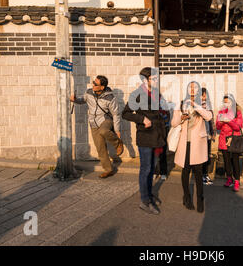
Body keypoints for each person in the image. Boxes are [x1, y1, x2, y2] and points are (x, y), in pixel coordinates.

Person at [122, 67, 167, 215]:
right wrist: (142, 119)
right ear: (145, 80)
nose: (156, 81)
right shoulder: (137, 95)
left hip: (157, 136)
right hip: (145, 137)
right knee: (145, 169)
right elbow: (126, 113)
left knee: (151, 170)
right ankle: (144, 201)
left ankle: (148, 194)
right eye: (153, 78)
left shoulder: (156, 93)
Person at [71, 75, 123, 178]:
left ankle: (117, 143)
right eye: (93, 83)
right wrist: (75, 99)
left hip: (105, 120)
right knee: (100, 147)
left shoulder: (110, 98)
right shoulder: (89, 92)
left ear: (102, 87)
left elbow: (116, 114)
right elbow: (83, 100)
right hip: (93, 123)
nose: (93, 85)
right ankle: (108, 169)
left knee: (103, 131)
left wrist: (117, 130)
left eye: (95, 84)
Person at [172, 81, 212, 213]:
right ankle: (187, 197)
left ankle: (200, 199)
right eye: (191, 88)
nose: (193, 90)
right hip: (185, 143)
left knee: (199, 172)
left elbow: (209, 116)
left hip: (198, 143)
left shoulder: (204, 103)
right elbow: (173, 123)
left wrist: (195, 104)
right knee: (185, 170)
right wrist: (182, 118)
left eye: (195, 88)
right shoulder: (181, 103)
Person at [216, 94, 243, 192]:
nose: (226, 104)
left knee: (235, 161)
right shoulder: (221, 112)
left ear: (232, 102)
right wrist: (222, 121)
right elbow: (218, 126)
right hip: (224, 139)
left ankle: (237, 180)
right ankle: (229, 178)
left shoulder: (238, 112)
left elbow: (238, 127)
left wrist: (229, 120)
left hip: (234, 139)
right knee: (226, 161)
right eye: (225, 102)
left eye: (228, 102)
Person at [201, 88, 215, 186]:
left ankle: (205, 174)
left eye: (205, 95)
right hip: (200, 135)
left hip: (208, 135)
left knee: (207, 156)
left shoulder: (208, 105)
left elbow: (211, 120)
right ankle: (200, 175)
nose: (204, 97)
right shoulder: (197, 106)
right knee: (200, 156)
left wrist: (213, 133)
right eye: (202, 95)